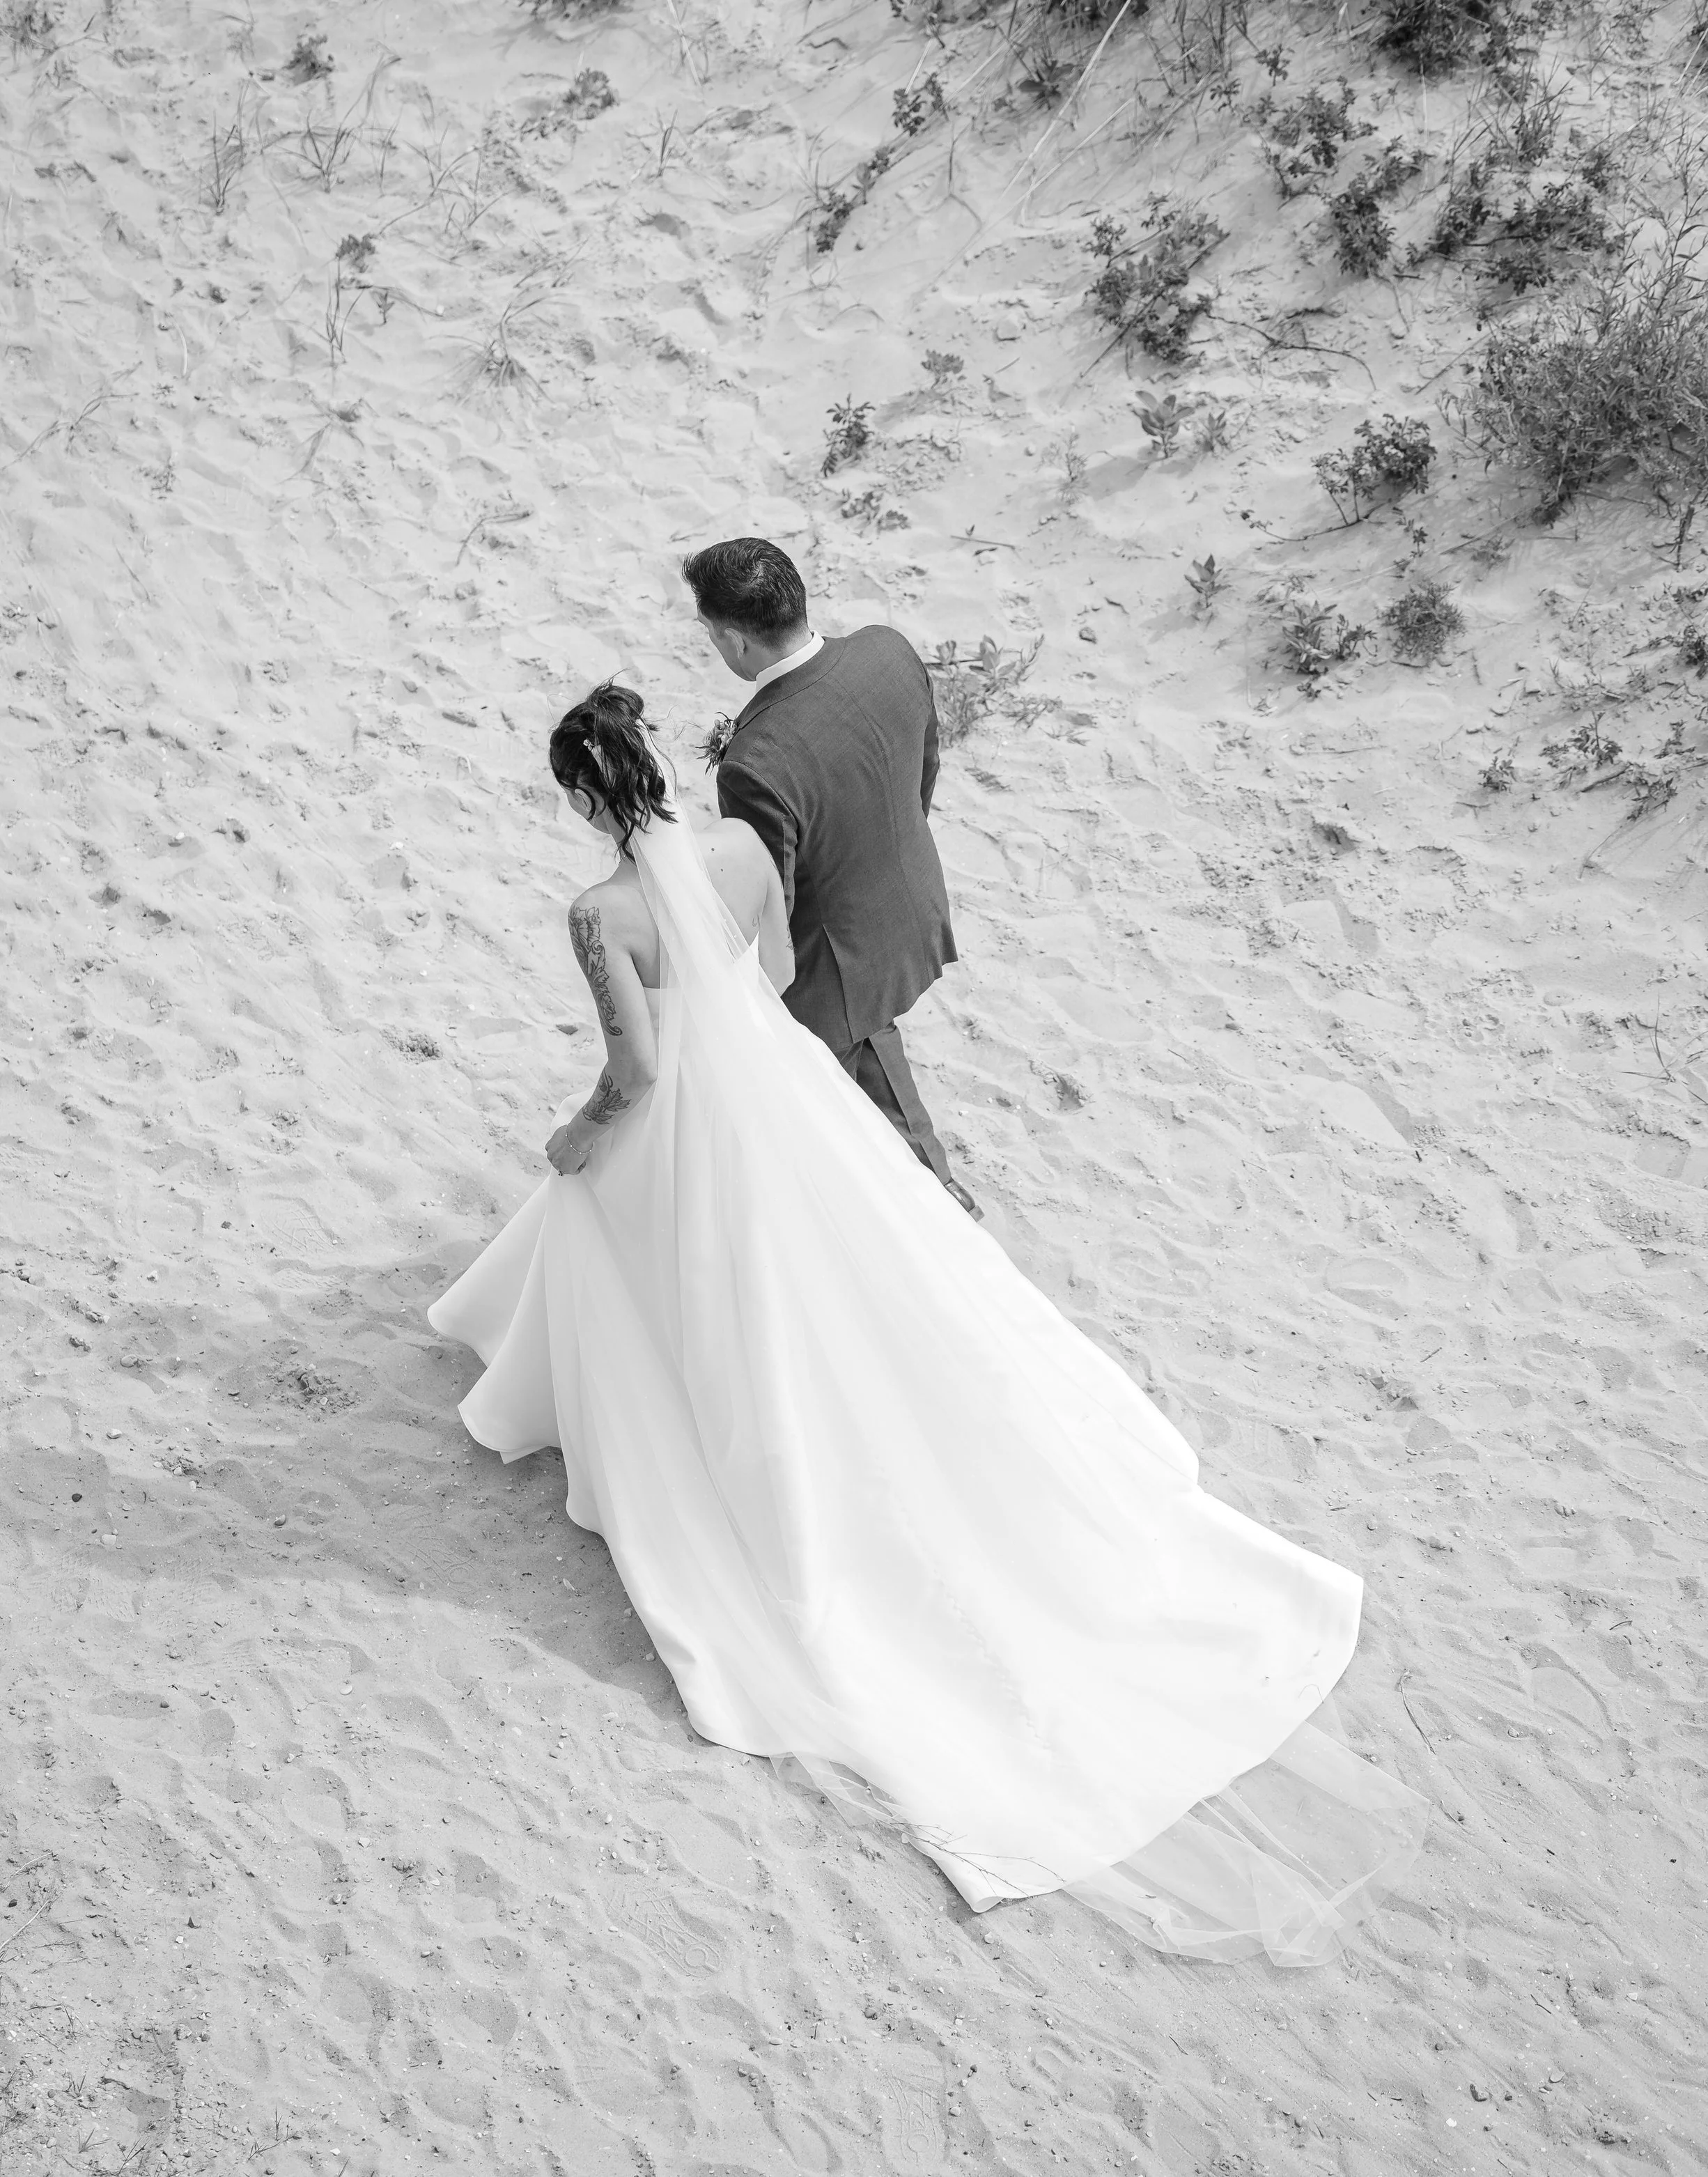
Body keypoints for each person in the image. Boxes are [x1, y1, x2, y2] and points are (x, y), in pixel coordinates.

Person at [428, 685, 1426, 1967]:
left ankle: (578, 1404)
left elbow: (632, 1076)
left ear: (580, 797)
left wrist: (575, 1134)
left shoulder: (596, 914)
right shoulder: (739, 848)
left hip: (692, 1122)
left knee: (592, 1206)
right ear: (663, 762)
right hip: (789, 1101)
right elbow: (779, 974)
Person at [682, 536, 979, 1218]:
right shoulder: (888, 650)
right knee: (870, 1060)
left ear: (735, 643)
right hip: (911, 907)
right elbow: (924, 772)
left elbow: (771, 906)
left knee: (800, 1105)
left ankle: (926, 1218)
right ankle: (938, 1192)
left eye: (708, 632)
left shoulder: (755, 760)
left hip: (833, 968)